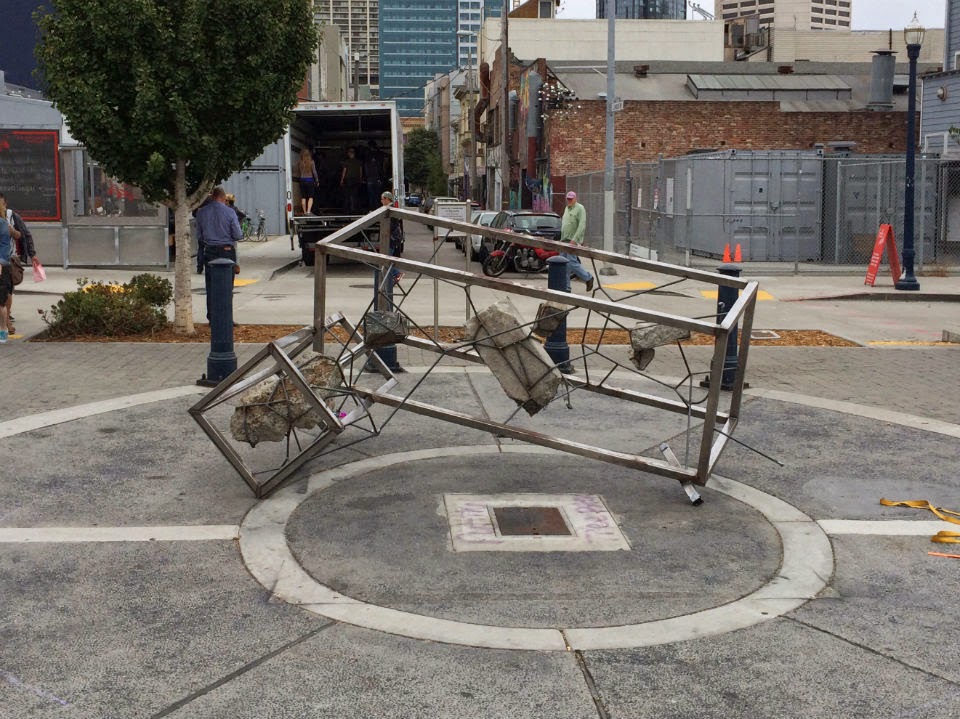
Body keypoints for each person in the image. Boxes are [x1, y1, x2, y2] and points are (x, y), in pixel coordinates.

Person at [195, 186, 242, 321]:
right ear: (223, 198)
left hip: (210, 250)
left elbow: (199, 236)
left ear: (212, 197)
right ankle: (226, 318)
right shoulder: (230, 212)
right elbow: (238, 234)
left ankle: (212, 317)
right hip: (226, 250)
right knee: (227, 287)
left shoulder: (202, 212)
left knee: (211, 286)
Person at [0, 192, 41, 335]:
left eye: (2, 203)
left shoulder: (11, 217)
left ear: (5, 204)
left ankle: (6, 322)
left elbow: (23, 234)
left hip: (7, 260)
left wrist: (32, 254)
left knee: (7, 292)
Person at [561, 190, 594, 292]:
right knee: (563, 264)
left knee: (571, 262)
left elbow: (582, 225)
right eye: (568, 199)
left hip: (572, 241)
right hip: (564, 240)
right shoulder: (566, 208)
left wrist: (575, 240)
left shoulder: (580, 208)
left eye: (571, 199)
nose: (569, 200)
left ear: (575, 199)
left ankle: (588, 277)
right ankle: (566, 287)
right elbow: (565, 224)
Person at [0, 196, 16, 343]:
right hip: (4, 264)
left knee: (1, 301)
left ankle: (4, 330)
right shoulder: (5, 223)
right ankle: (3, 331)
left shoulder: (2, 224)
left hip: (1, 264)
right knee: (2, 302)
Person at [380, 191, 404, 284]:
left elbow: (393, 224)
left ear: (387, 199)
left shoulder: (391, 209)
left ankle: (397, 274)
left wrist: (386, 230)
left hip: (392, 239)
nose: (381, 201)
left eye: (382, 199)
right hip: (393, 238)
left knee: (385, 260)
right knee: (388, 259)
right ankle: (391, 278)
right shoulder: (390, 208)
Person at [339, 146, 363, 213]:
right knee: (355, 195)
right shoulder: (359, 162)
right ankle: (354, 209)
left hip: (348, 180)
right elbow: (361, 171)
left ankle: (347, 209)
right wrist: (360, 179)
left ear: (349, 153)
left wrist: (341, 180)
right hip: (356, 180)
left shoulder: (346, 162)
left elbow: (344, 171)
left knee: (347, 195)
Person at [364, 141, 386, 210]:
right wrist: (382, 176)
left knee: (371, 195)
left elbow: (365, 167)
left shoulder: (367, 155)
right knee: (378, 194)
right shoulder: (379, 154)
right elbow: (383, 166)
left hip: (370, 178)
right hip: (378, 178)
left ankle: (372, 208)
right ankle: (378, 208)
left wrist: (365, 177)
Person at [297, 148, 319, 215]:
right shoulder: (311, 162)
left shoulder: (300, 162)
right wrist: (317, 180)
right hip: (310, 181)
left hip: (302, 181)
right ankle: (308, 211)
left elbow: (298, 171)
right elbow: (314, 172)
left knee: (303, 197)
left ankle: (304, 212)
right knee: (310, 197)